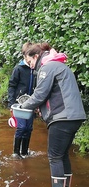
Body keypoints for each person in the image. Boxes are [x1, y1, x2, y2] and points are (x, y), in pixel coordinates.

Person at [21, 42, 86, 187]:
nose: (30, 65)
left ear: (36, 56)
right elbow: (56, 94)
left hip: (62, 118)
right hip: (75, 117)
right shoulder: (59, 65)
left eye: (30, 61)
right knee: (62, 155)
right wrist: (41, 108)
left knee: (54, 157)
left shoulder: (47, 67)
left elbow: (39, 95)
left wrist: (22, 106)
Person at [8, 42, 35, 159]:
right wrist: (11, 103)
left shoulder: (35, 68)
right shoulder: (19, 68)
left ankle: (24, 152)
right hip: (18, 104)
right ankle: (15, 153)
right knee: (21, 127)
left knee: (28, 128)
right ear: (24, 56)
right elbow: (11, 85)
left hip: (32, 103)